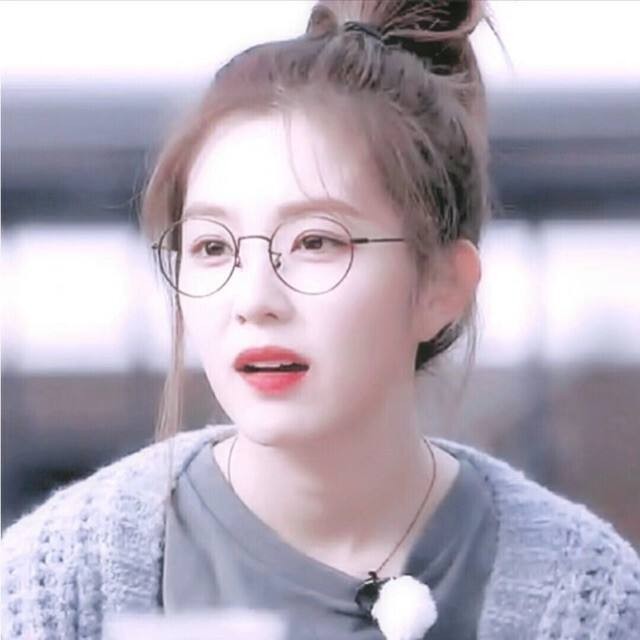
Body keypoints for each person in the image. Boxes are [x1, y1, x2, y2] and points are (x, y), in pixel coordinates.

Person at [2, 1, 639, 639]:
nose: (254, 299)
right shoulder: (57, 584)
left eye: (315, 242)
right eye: (212, 247)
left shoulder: (585, 595)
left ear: (441, 285)